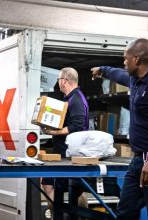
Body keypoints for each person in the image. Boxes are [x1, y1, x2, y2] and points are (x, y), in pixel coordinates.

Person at [91, 38, 148, 220]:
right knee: (125, 212)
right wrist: (102, 71)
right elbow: (118, 74)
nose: (124, 63)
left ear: (137, 60)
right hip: (140, 159)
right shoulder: (136, 80)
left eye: (126, 58)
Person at [41, 67, 89, 217]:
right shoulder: (69, 98)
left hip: (68, 155)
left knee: (71, 189)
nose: (58, 83)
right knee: (49, 184)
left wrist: (54, 132)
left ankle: (68, 215)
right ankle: (61, 214)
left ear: (64, 81)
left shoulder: (76, 99)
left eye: (58, 80)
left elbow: (78, 125)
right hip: (61, 152)